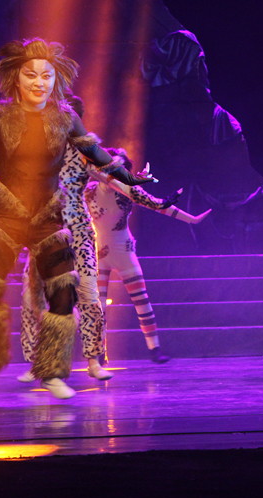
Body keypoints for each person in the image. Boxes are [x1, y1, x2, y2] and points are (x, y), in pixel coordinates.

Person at [0, 38, 151, 398]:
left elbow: (99, 156)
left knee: (64, 295)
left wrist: (132, 179)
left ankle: (52, 372)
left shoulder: (66, 118)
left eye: (46, 76)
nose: (39, 82)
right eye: (31, 75)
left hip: (48, 217)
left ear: (56, 79)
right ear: (16, 78)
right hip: (7, 215)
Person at [86, 147, 211, 363]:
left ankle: (155, 349)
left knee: (141, 300)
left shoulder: (129, 191)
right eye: (110, 168)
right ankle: (99, 352)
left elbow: (159, 205)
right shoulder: (88, 190)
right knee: (99, 306)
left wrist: (191, 219)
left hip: (124, 251)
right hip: (98, 254)